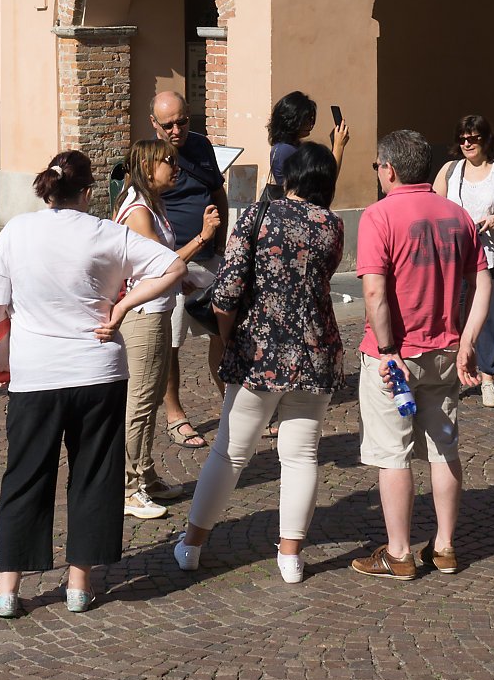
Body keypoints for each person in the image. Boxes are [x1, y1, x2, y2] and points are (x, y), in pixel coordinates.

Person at [0, 151, 189, 617]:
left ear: (47, 190)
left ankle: (8, 588)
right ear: (89, 192)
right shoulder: (108, 233)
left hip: (36, 373)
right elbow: (174, 267)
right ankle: (79, 584)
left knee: (26, 475)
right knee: (95, 474)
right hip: (98, 371)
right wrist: (123, 306)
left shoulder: (17, 231)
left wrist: (0, 369)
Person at [174, 143, 346, 584]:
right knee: (301, 455)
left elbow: (227, 293)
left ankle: (191, 545)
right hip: (315, 351)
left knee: (230, 452)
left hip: (259, 352)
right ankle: (291, 557)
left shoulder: (258, 215)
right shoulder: (332, 224)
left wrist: (229, 337)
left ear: (290, 176)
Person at [350, 129, 481, 581]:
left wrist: (388, 350)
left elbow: (374, 291)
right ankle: (444, 547)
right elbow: (481, 282)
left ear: (389, 169)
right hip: (445, 349)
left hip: (395, 355)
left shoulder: (378, 215)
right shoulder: (457, 215)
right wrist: (467, 339)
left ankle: (399, 552)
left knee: (394, 453)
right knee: (444, 448)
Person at [111, 138, 221, 519]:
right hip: (141, 316)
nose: (176, 169)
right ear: (147, 168)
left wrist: (181, 280)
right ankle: (128, 488)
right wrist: (202, 238)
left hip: (158, 308)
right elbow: (160, 262)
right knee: (140, 401)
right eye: (168, 163)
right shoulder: (138, 210)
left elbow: (156, 267)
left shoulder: (153, 204)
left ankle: (145, 474)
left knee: (153, 395)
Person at [149, 90, 229, 451]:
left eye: (182, 121)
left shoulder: (200, 145)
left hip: (208, 256)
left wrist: (221, 245)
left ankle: (232, 405)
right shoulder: (147, 157)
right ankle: (175, 414)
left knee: (222, 332)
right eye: (168, 125)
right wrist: (166, 267)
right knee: (172, 343)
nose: (177, 130)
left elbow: (217, 192)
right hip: (172, 261)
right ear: (154, 124)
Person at [434, 114, 494, 408]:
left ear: (486, 140)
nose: (467, 143)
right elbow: (433, 206)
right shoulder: (450, 171)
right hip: (454, 257)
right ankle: (451, 376)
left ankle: (488, 378)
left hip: (491, 256)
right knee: (452, 315)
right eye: (462, 139)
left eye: (473, 138)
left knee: (490, 318)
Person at [264, 90, 350, 197]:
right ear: (292, 120)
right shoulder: (285, 150)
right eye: (306, 119)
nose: (310, 124)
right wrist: (338, 146)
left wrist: (336, 145)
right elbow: (325, 184)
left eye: (311, 119)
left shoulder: (293, 147)